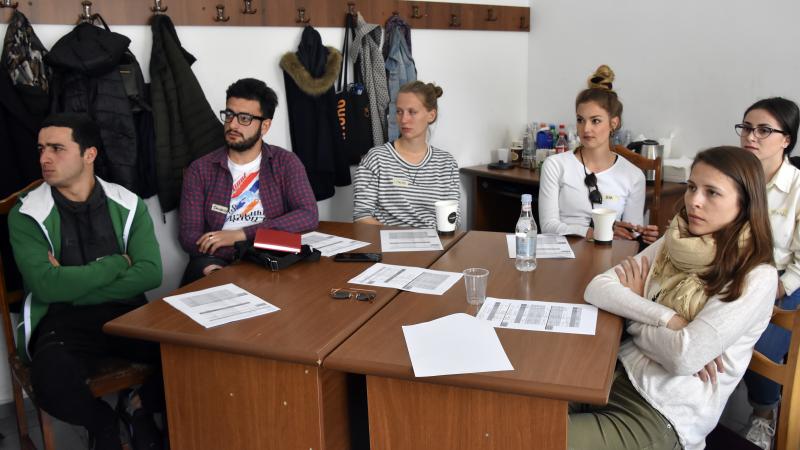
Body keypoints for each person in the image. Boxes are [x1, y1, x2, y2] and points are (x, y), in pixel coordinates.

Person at [569, 147, 777, 450]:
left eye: (712, 192)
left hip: (660, 410)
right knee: (515, 413)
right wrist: (669, 319)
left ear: (745, 204)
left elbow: (684, 357)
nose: (694, 201)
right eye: (692, 187)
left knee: (532, 437)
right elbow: (598, 288)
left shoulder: (755, 276)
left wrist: (632, 313)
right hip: (613, 371)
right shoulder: (677, 239)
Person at [8, 113, 165, 450]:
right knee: (51, 380)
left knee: (191, 352)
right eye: (41, 149)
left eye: (56, 148)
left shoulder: (128, 203)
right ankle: (103, 423)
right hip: (62, 321)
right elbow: (46, 287)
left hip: (127, 314)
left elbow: (151, 273)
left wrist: (69, 285)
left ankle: (137, 407)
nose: (44, 158)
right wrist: (117, 263)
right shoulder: (25, 214)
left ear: (89, 154)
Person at [179, 78, 318, 285]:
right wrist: (235, 253)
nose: (232, 124)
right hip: (218, 259)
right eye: (229, 115)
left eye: (244, 118)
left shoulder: (285, 162)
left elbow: (308, 215)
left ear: (265, 126)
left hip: (271, 254)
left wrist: (241, 235)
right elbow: (189, 235)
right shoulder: (200, 170)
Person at [736, 97, 800, 450]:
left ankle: (764, 413)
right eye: (746, 128)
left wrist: (779, 287)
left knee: (756, 345)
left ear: (786, 139)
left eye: (763, 130)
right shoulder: (735, 177)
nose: (751, 136)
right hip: (735, 274)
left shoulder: (798, 188)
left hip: (784, 280)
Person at [539, 65, 659, 243]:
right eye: (580, 120)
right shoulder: (555, 165)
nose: (586, 129)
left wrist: (641, 235)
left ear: (613, 123)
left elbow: (630, 237)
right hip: (562, 252)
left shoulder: (634, 176)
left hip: (608, 254)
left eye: (595, 121)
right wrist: (594, 232)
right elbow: (548, 226)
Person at [353, 81, 459, 228]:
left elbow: (452, 220)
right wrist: (401, 238)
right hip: (385, 241)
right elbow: (361, 217)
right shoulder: (375, 159)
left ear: (431, 115)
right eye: (399, 111)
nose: (403, 120)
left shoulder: (447, 163)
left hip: (434, 241)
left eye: (412, 112)